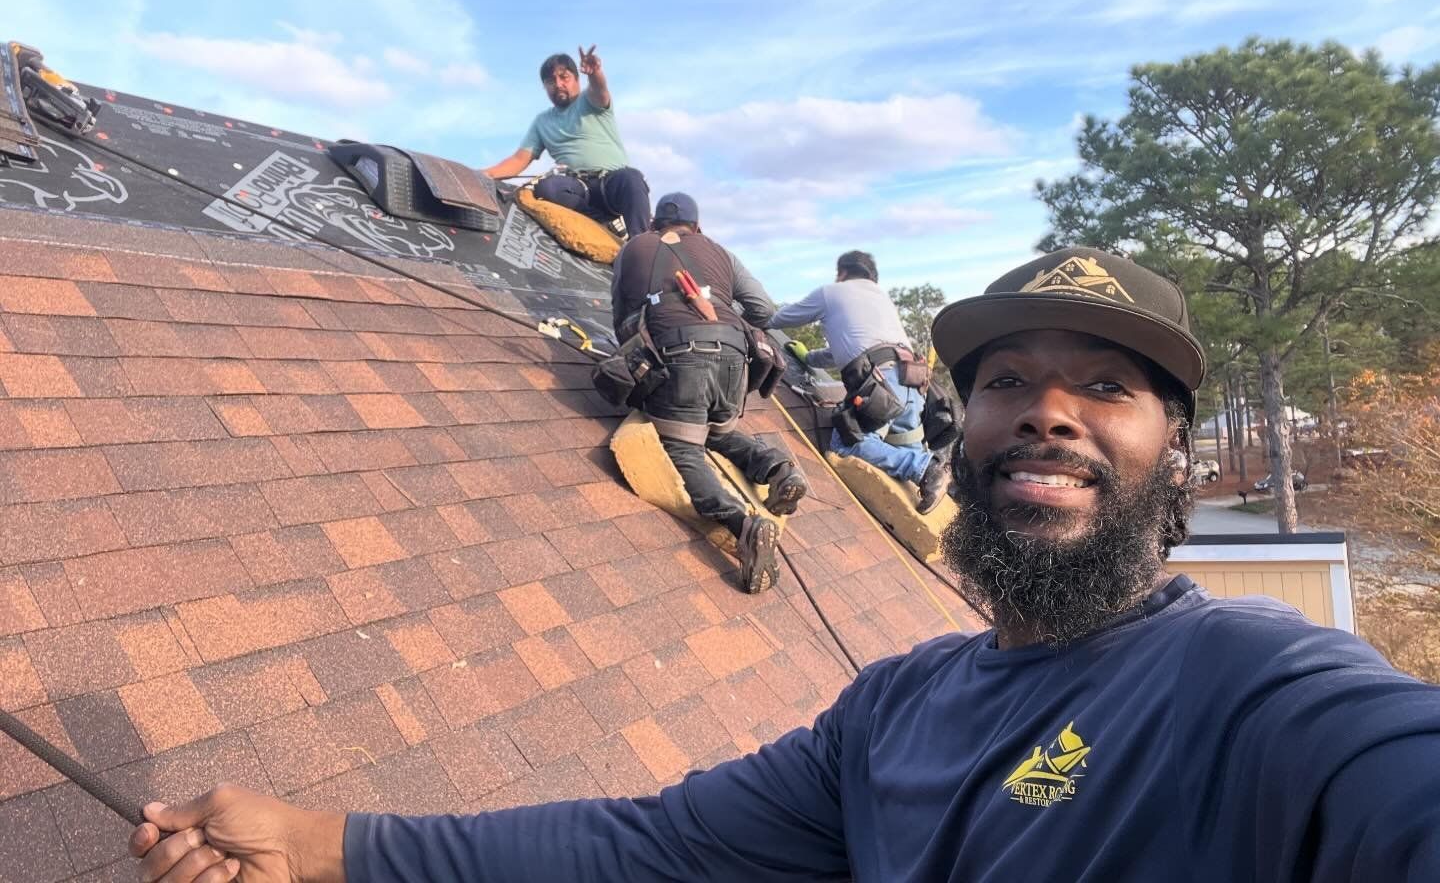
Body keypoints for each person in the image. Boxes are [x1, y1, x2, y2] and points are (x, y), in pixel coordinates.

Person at [131, 246, 1440, 882]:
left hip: (713, 383)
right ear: (961, 430)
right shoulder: (893, 711)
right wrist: (324, 843)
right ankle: (757, 485)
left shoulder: (1259, 692)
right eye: (1009, 383)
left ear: (1176, 449)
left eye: (1106, 386)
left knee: (689, 439)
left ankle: (740, 481)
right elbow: (650, 846)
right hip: (763, 387)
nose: (1049, 410)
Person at [610, 191, 807, 594]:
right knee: (717, 431)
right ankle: (777, 468)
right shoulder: (721, 252)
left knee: (684, 448)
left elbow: (619, 317)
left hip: (679, 352)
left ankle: (743, 526)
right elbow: (765, 311)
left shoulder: (635, 247)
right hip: (735, 355)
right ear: (697, 227)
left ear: (653, 225)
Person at [769, 250, 949, 512]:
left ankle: (924, 468)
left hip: (881, 385)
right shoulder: (881, 298)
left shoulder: (832, 292)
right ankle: (930, 478)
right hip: (914, 382)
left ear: (842, 273)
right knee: (900, 460)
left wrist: (761, 317)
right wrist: (809, 357)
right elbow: (848, 348)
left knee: (846, 447)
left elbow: (780, 319)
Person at [483, 47, 652, 238]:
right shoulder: (542, 122)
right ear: (545, 87)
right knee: (546, 188)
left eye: (564, 77)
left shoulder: (590, 101)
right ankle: (604, 224)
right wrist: (483, 175)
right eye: (550, 81)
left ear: (577, 79)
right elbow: (518, 160)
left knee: (632, 179)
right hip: (578, 189)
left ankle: (642, 245)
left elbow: (600, 89)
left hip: (612, 183)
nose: (558, 84)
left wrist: (595, 73)